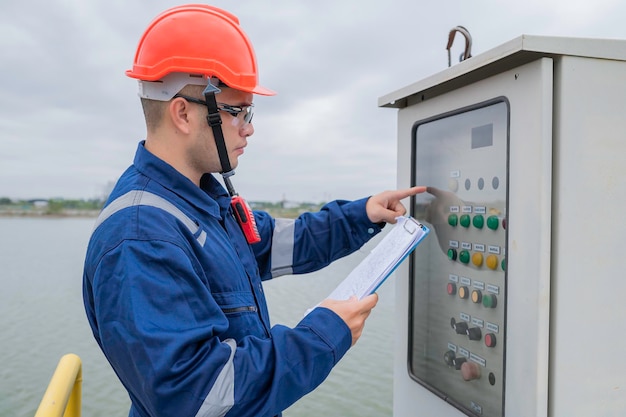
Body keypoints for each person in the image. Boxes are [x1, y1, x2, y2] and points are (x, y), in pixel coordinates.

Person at [82, 4, 426, 417]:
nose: (248, 128)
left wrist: (363, 215)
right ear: (183, 113)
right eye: (237, 111)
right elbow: (197, 394)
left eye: (249, 113)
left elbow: (278, 243)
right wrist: (323, 335)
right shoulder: (140, 238)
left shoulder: (201, 203)